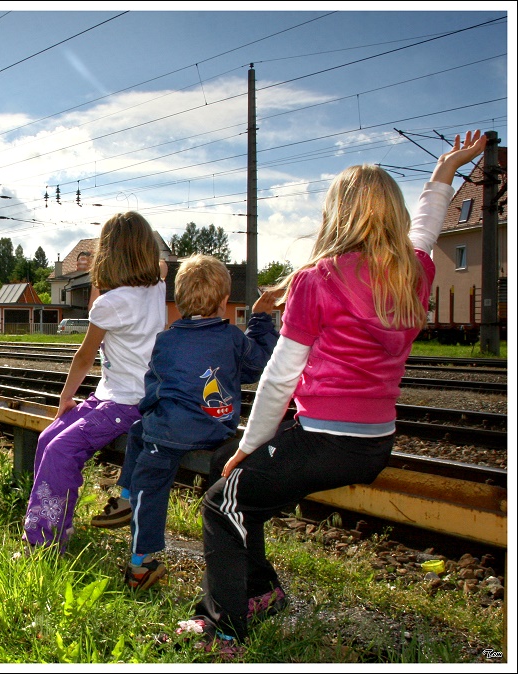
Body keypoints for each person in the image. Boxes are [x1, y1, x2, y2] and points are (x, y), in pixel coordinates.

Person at [173, 130, 488, 655]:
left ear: (335, 214)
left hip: (325, 442)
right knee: (235, 480)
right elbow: (430, 228)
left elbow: (279, 377)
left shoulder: (318, 280)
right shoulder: (416, 271)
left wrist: (252, 444)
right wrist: (445, 169)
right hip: (375, 442)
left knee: (217, 502)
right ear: (393, 214)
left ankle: (221, 628)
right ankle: (262, 591)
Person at [90, 254, 281, 591]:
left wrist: (153, 412)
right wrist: (261, 320)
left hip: (167, 435)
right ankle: (125, 496)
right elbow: (257, 366)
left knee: (149, 478)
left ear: (177, 301)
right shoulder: (232, 338)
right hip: (214, 430)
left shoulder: (165, 339)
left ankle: (138, 556)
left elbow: (154, 386)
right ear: (224, 302)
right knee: (141, 430)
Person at [23, 211, 167, 551]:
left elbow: (85, 357)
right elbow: (161, 266)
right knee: (48, 438)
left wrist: (65, 399)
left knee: (59, 449)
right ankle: (57, 524)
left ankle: (44, 543)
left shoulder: (109, 304)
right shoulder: (157, 286)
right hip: (119, 396)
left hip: (126, 403)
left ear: (107, 254)